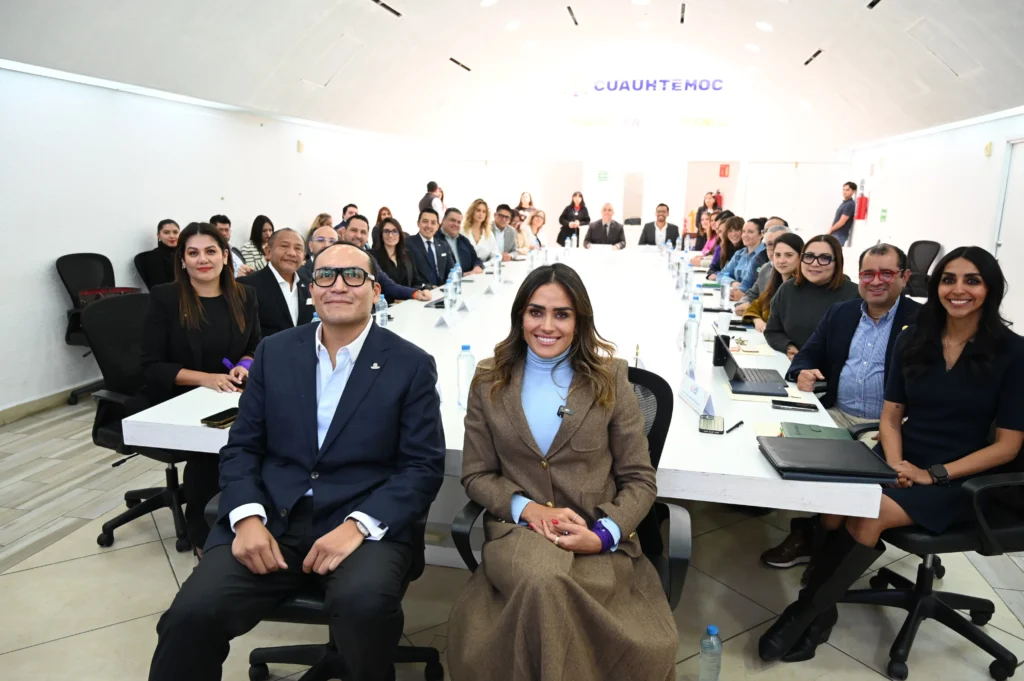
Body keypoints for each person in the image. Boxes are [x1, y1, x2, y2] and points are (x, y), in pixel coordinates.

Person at [148, 242, 446, 681]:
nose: (338, 285)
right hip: (272, 516)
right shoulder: (275, 352)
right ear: (311, 289)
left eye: (353, 275)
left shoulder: (410, 364)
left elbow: (422, 466)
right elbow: (242, 447)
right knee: (190, 615)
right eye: (325, 275)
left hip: (361, 523)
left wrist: (358, 526)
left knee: (364, 608)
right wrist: (246, 517)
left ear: (375, 290)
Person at [759, 246, 1024, 664]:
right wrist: (897, 464)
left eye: (972, 280)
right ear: (935, 286)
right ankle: (820, 609)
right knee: (835, 501)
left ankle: (804, 615)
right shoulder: (914, 339)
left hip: (962, 476)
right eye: (948, 279)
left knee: (868, 512)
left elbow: (1007, 446)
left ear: (990, 289)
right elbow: (891, 416)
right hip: (902, 453)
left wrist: (933, 474)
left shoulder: (1013, 352)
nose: (958, 289)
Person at [447, 263, 678, 681]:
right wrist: (528, 509)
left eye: (562, 314)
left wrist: (603, 535)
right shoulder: (488, 378)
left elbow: (640, 480)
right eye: (536, 312)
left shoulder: (610, 379)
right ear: (520, 316)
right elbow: (476, 474)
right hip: (519, 533)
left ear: (579, 320)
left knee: (546, 590)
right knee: (542, 579)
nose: (547, 326)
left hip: (593, 532)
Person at [760, 244, 922, 575]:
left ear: (904, 277)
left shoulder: (924, 322)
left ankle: (819, 549)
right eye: (868, 274)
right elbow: (808, 354)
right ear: (858, 276)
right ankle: (813, 533)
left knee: (838, 479)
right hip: (835, 413)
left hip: (891, 426)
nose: (876, 281)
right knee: (775, 444)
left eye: (886, 273)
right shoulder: (842, 313)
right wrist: (802, 370)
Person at [140, 222, 261, 552]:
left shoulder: (245, 295)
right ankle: (204, 537)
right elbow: (151, 366)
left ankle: (253, 520)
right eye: (192, 253)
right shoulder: (166, 297)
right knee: (212, 452)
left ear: (225, 255)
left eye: (210, 251)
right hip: (180, 395)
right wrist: (206, 378)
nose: (202, 259)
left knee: (262, 437)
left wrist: (244, 364)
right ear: (182, 260)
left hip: (230, 391)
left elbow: (254, 345)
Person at [764, 235, 859, 359]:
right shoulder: (787, 289)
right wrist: (788, 347)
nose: (814, 263)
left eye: (824, 258)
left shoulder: (855, 295)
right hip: (792, 364)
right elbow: (772, 331)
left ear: (837, 262)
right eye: (809, 257)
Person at [238, 228, 313, 337]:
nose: (292, 253)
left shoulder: (309, 285)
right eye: (284, 246)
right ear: (268, 251)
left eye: (298, 248)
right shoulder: (246, 286)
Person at [343, 215, 431, 302]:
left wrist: (416, 293)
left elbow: (388, 285)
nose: (358, 236)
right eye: (354, 230)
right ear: (344, 231)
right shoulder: (371, 255)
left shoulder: (367, 258)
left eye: (363, 232)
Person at [741, 232, 804, 333]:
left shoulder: (803, 288)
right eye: (777, 255)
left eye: (789, 255)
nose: (781, 261)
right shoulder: (774, 282)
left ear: (800, 257)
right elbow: (754, 307)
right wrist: (757, 320)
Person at [735, 223, 790, 315]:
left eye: (779, 243)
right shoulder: (766, 268)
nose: (774, 248)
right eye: (770, 244)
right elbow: (751, 295)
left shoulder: (799, 274)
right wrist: (743, 304)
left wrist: (753, 311)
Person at [371, 217, 427, 288]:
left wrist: (420, 290)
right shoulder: (373, 256)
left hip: (409, 294)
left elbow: (416, 281)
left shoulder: (408, 254)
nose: (390, 235)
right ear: (381, 234)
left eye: (394, 231)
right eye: (386, 231)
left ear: (400, 234)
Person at [718, 217, 767, 297]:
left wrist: (743, 294)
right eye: (743, 231)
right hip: (737, 296)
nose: (745, 235)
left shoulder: (765, 256)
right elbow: (721, 275)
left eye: (750, 232)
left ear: (761, 234)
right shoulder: (739, 254)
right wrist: (733, 282)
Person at [406, 208, 455, 287]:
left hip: (442, 290)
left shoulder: (443, 245)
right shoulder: (408, 243)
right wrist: (428, 287)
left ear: (437, 226)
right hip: (420, 291)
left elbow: (451, 271)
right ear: (418, 223)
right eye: (425, 221)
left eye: (433, 223)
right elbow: (409, 276)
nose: (429, 226)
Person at [135, 219, 180, 288]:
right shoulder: (154, 257)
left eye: (175, 232)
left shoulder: (183, 253)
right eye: (166, 232)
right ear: (158, 235)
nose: (172, 236)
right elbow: (159, 287)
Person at [438, 208, 484, 274]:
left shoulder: (463, 240)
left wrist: (477, 267)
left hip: (468, 278)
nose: (456, 224)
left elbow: (476, 259)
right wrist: (462, 275)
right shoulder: (435, 239)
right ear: (443, 220)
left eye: (459, 222)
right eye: (452, 220)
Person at [829, 182, 857, 246]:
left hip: (839, 235)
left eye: (847, 190)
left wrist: (830, 230)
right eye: (844, 189)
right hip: (835, 234)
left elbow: (842, 221)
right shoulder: (844, 203)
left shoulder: (850, 204)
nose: (844, 192)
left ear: (853, 191)